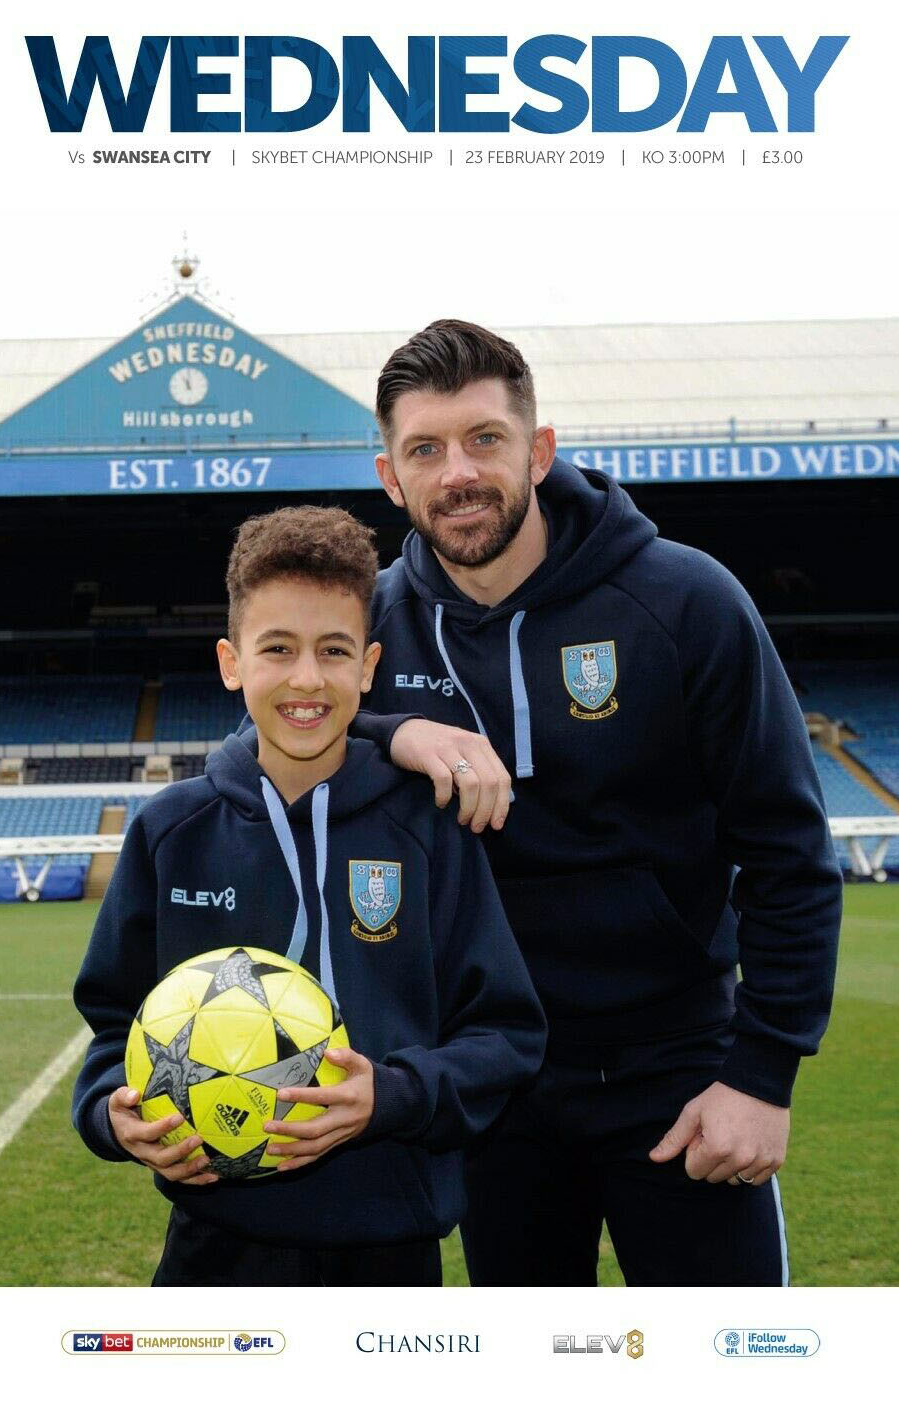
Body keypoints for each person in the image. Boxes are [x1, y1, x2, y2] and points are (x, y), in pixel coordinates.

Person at [354, 319, 843, 1286]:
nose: (458, 472)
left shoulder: (684, 599)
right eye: (426, 449)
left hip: (678, 1073)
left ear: (538, 450)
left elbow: (787, 846)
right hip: (489, 1077)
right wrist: (389, 731)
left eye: (485, 439)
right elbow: (255, 747)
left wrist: (761, 1074)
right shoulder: (365, 626)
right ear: (390, 477)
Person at [71, 504, 546, 1287]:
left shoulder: (428, 829)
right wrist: (108, 1116)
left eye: (333, 651)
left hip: (389, 1241)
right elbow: (109, 1029)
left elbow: (505, 1036)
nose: (305, 679)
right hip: (214, 1243)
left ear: (368, 665)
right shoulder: (171, 830)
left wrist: (390, 1096)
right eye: (277, 649)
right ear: (231, 662)